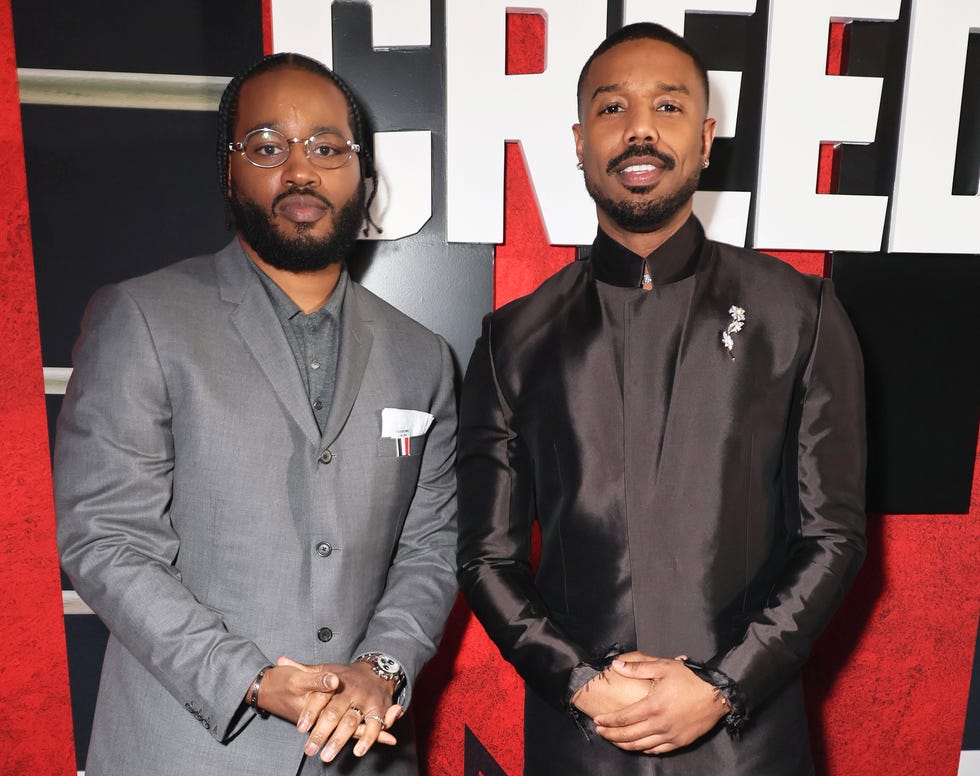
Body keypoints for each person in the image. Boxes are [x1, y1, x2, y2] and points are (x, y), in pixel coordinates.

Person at [456, 22, 866, 775]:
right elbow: (487, 556)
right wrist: (580, 685)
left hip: (748, 744)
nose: (639, 130)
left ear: (707, 138)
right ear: (579, 141)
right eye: (613, 110)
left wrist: (723, 685)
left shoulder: (797, 313)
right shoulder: (512, 339)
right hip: (583, 742)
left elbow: (832, 536)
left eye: (668, 108)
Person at [55, 52, 457, 776]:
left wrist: (380, 670)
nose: (301, 171)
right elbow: (107, 539)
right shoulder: (145, 317)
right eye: (267, 147)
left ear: (362, 175)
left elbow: (431, 546)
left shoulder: (421, 355)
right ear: (230, 171)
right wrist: (251, 676)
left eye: (327, 148)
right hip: (186, 749)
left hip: (364, 756)